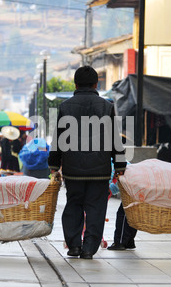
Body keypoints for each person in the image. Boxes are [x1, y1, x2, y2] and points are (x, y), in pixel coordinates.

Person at [48, 66, 127, 259]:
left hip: (72, 169)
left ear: (75, 84)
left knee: (73, 204)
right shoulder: (106, 106)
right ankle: (89, 248)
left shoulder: (66, 107)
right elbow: (114, 139)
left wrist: (54, 164)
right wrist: (119, 165)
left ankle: (74, 245)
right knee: (96, 208)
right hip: (99, 169)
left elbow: (58, 138)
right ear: (96, 84)